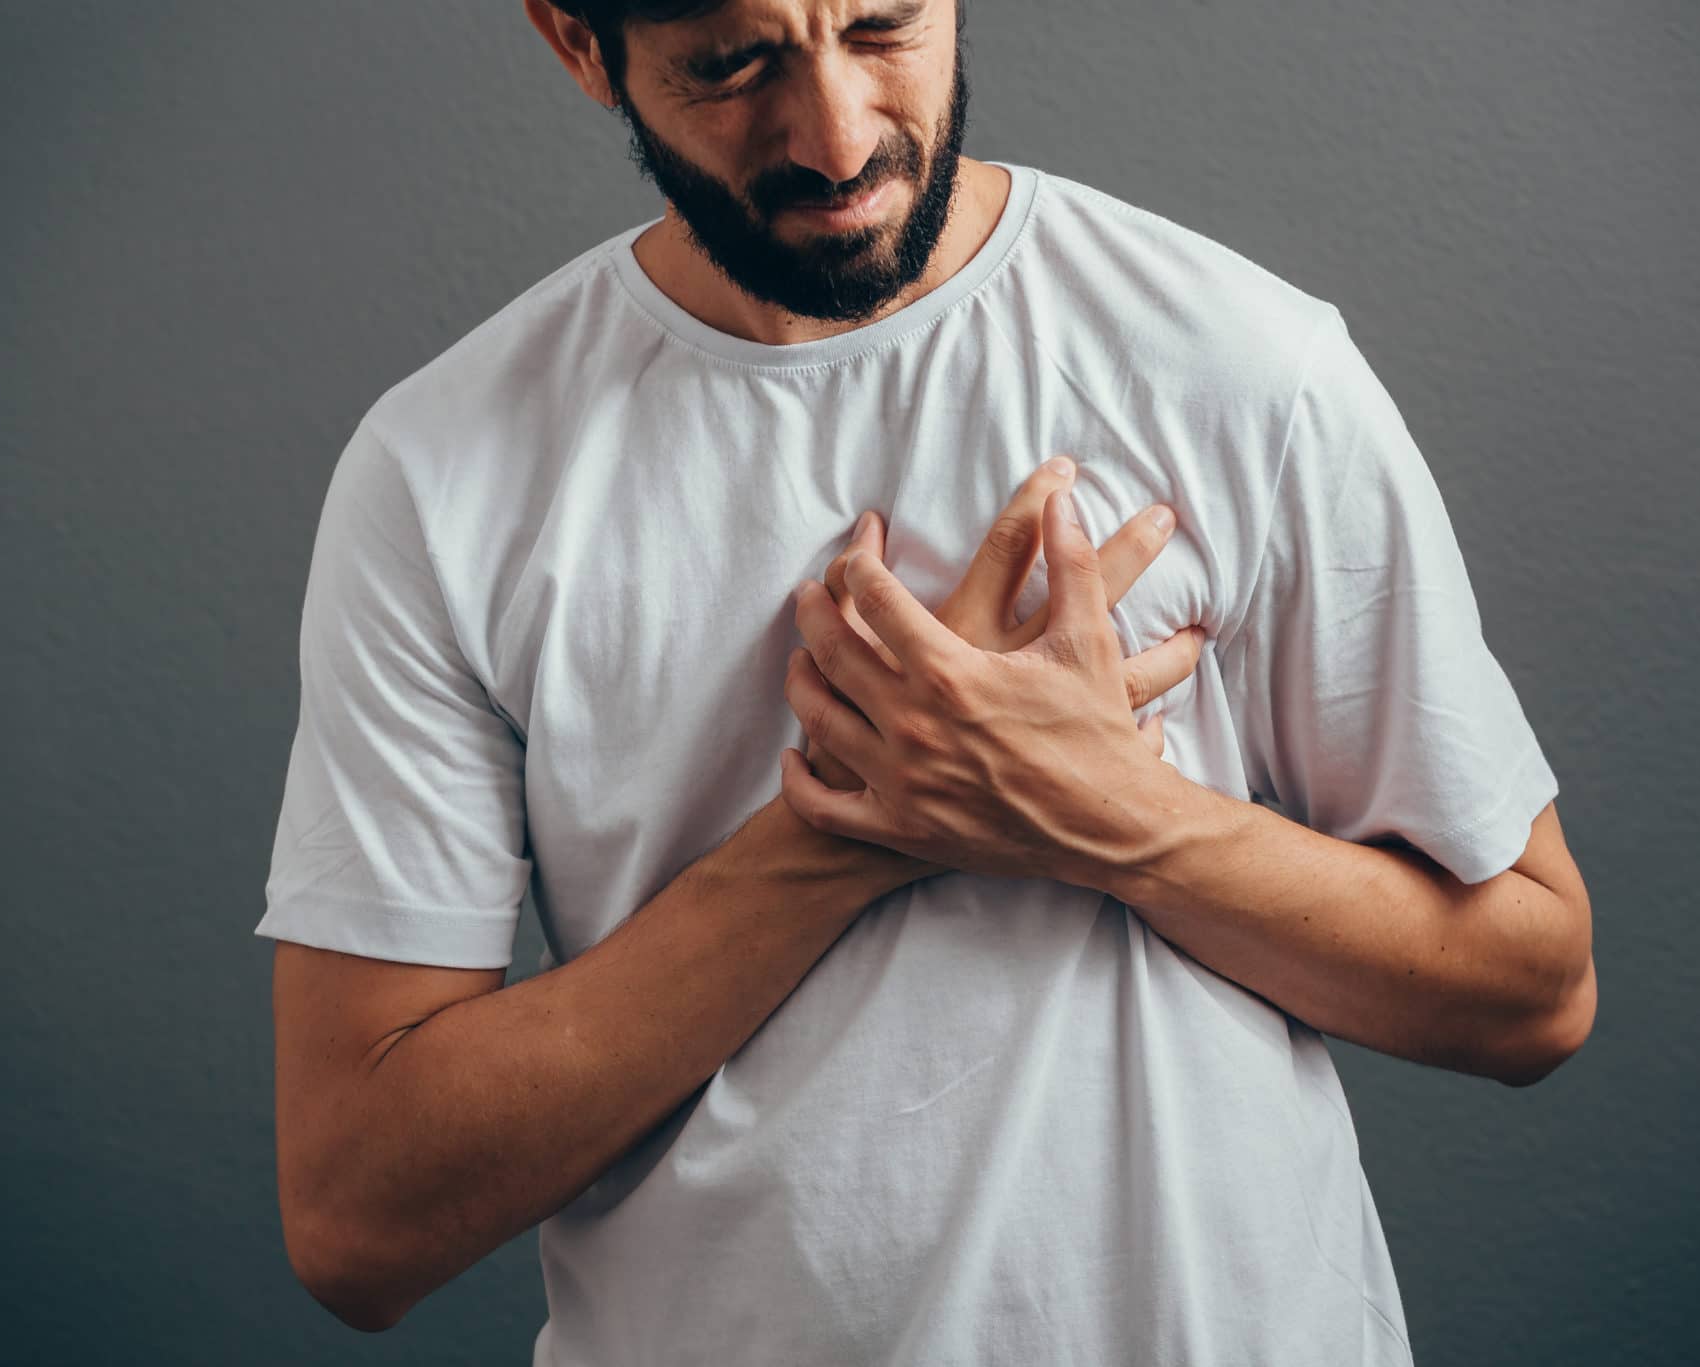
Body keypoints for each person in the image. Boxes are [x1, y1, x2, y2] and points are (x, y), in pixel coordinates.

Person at [256, 0, 1597, 1361]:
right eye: (733, 63)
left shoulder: (1242, 365)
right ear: (576, 40)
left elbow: (1530, 990)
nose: (835, 137)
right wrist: (840, 832)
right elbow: (360, 1221)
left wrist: (1116, 817)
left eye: (882, 26)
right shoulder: (442, 474)